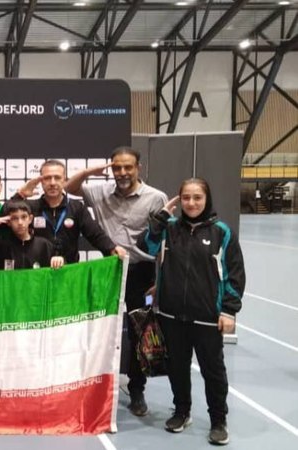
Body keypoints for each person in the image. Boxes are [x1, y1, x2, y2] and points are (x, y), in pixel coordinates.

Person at [137, 178, 245, 446]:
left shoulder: (222, 232)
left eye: (197, 197)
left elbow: (234, 275)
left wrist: (229, 311)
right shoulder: (169, 228)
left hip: (207, 318)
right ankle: (182, 411)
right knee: (177, 368)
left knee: (213, 371)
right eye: (186, 197)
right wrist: (161, 218)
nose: (191, 203)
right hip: (171, 315)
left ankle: (218, 420)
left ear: (207, 199)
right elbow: (145, 246)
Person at [64, 146, 168, 417]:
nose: (122, 172)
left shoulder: (156, 197)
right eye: (117, 167)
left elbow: (164, 242)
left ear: (138, 168)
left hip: (141, 273)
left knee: (138, 331)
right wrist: (91, 171)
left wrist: (160, 280)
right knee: (99, 329)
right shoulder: (99, 191)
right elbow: (69, 187)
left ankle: (136, 389)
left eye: (127, 167)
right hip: (109, 269)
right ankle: (93, 385)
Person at [12, 159, 126, 264]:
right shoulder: (30, 207)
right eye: (47, 178)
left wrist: (111, 248)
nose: (52, 183)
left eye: (57, 178)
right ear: (41, 181)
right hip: (38, 272)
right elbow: (7, 216)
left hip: (70, 271)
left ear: (64, 180)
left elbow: (95, 234)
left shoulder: (77, 207)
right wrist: (20, 194)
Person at [0, 200, 64, 270]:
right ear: (8, 222)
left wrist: (59, 259)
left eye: (24, 217)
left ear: (30, 219)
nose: (20, 222)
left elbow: (61, 266)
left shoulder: (44, 245)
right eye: (14, 218)